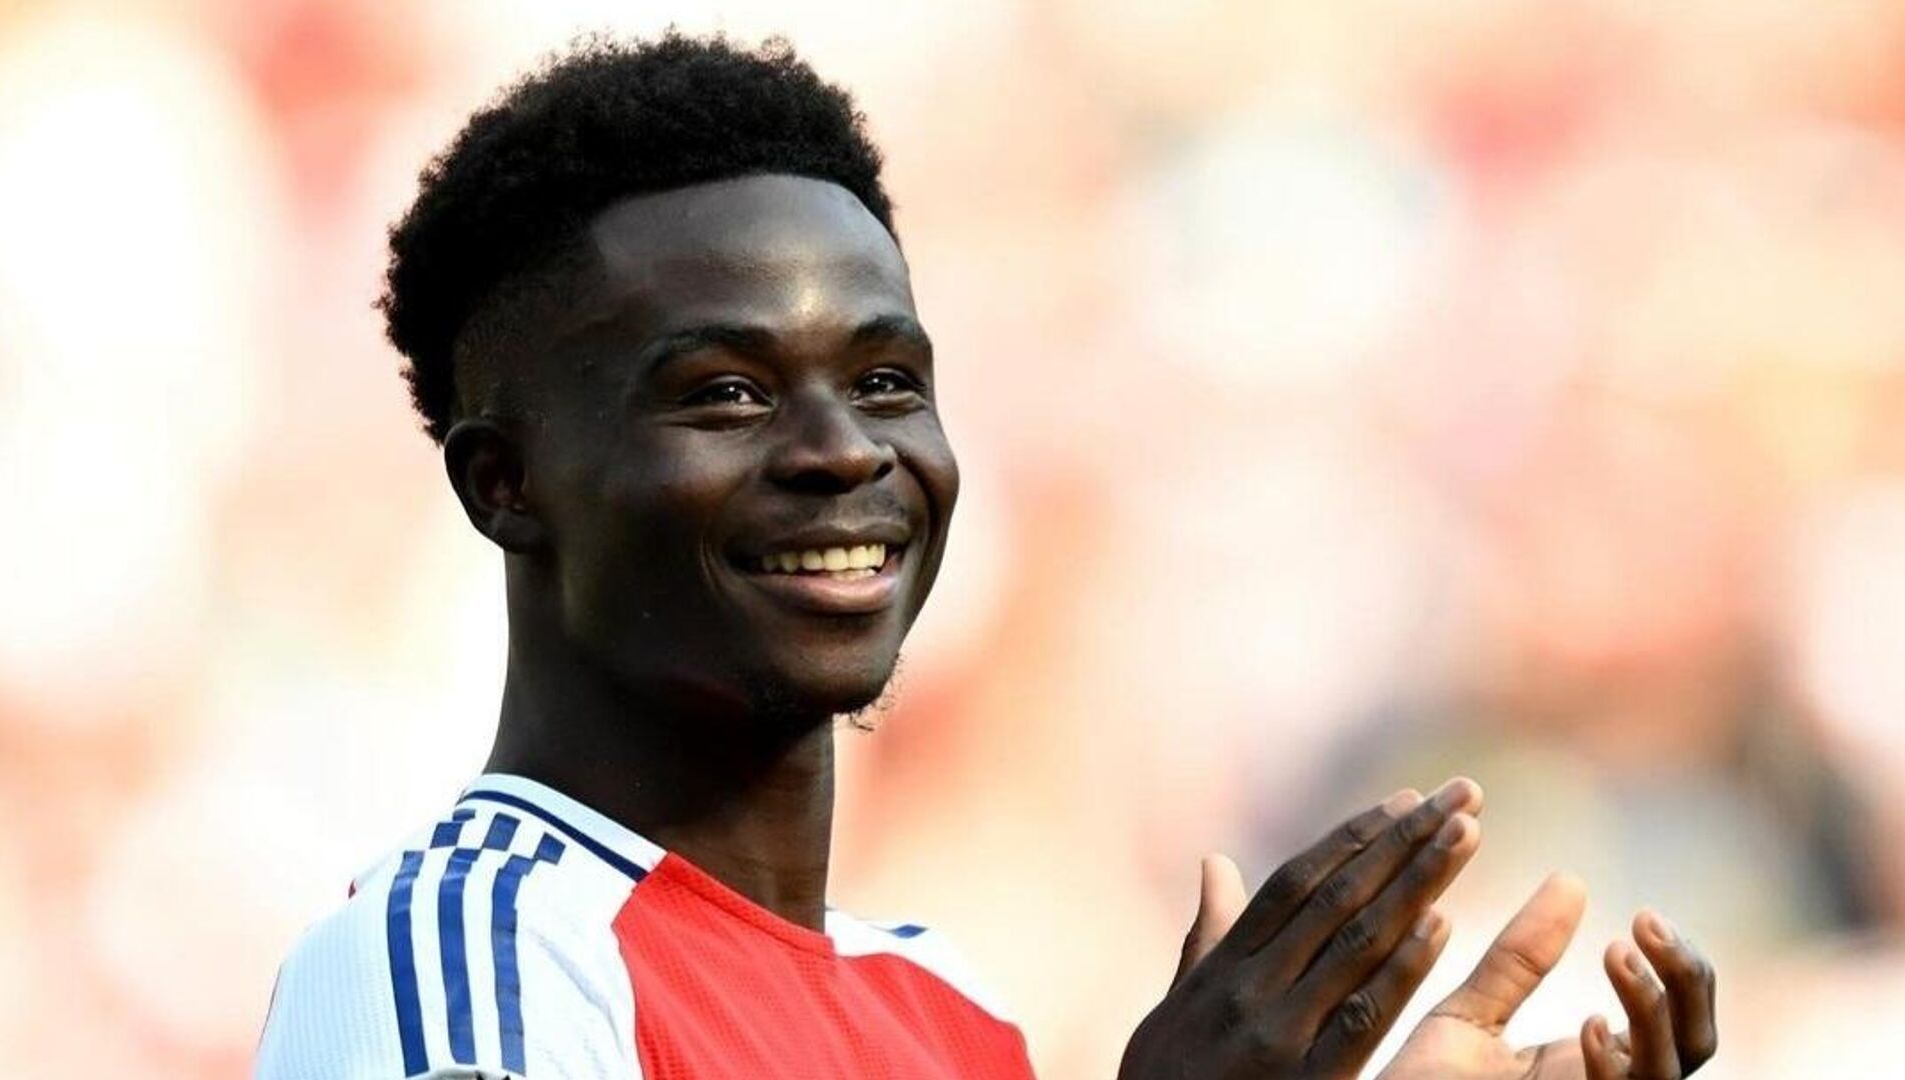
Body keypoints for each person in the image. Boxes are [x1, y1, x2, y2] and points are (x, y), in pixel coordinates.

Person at [253, 33, 1717, 1080]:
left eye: (888, 381)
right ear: (505, 485)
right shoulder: (461, 958)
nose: (845, 451)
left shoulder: (948, 1011)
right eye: (728, 393)